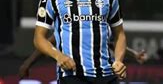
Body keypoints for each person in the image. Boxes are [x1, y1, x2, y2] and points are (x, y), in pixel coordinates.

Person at [20, 34, 148, 79]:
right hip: (74, 75)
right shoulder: (72, 22)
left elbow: (111, 43)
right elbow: (48, 42)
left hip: (100, 75)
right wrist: (28, 63)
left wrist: (134, 54)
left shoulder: (101, 20)